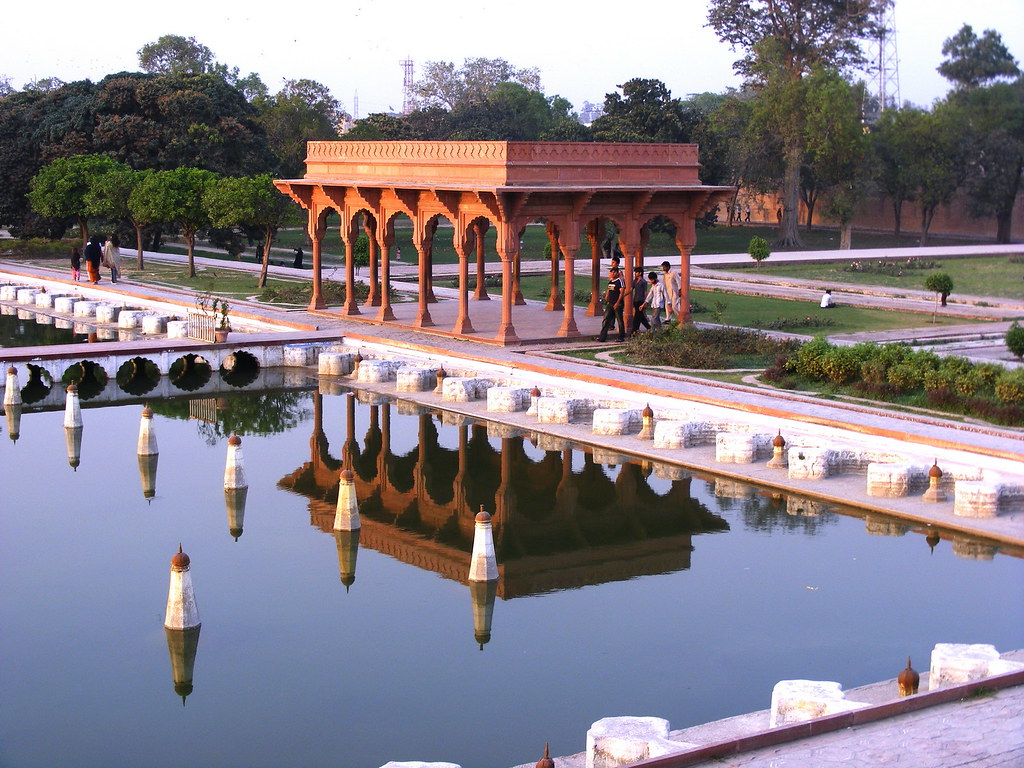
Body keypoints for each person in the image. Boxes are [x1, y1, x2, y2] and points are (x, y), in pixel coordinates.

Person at [597, 266, 625, 342]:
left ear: (617, 273)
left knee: (619, 320)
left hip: (618, 304)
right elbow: (609, 290)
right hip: (610, 303)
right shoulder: (611, 282)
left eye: (614, 272)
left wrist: (617, 303)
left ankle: (621, 337)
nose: (612, 273)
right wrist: (607, 296)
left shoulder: (620, 281)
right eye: (611, 272)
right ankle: (602, 337)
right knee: (606, 319)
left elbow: (622, 293)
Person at [630, 266, 650, 334]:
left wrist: (645, 302)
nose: (635, 274)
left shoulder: (643, 282)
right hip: (636, 300)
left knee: (637, 316)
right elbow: (631, 289)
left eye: (636, 272)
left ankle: (634, 330)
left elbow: (645, 292)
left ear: (640, 273)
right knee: (640, 316)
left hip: (641, 300)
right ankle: (646, 327)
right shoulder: (635, 281)